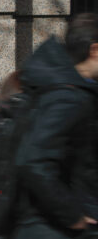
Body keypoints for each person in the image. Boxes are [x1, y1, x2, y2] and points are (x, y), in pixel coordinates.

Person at [12, 13, 98, 238]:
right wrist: (73, 216)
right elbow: (33, 160)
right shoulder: (67, 96)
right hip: (52, 229)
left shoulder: (70, 89)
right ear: (95, 51)